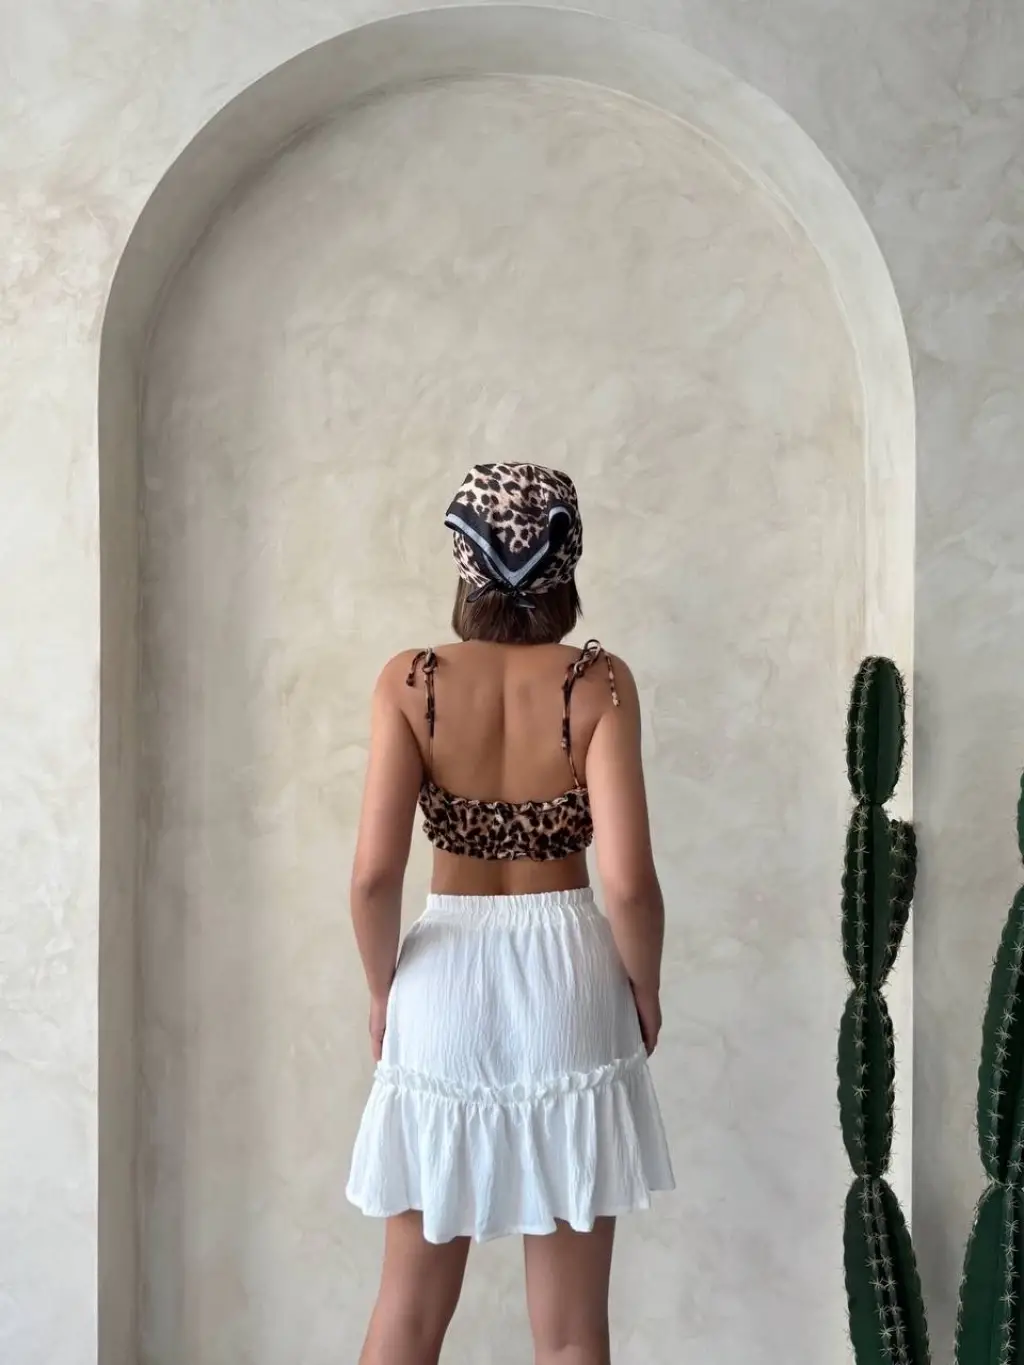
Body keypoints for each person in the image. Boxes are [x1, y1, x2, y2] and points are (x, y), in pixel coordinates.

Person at [346, 462, 674, 1365]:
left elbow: (373, 877)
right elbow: (630, 883)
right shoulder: (599, 683)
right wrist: (644, 987)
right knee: (570, 1332)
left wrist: (382, 989)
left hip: (442, 973)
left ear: (464, 560)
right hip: (570, 976)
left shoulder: (410, 681)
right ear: (567, 562)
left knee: (408, 1312)